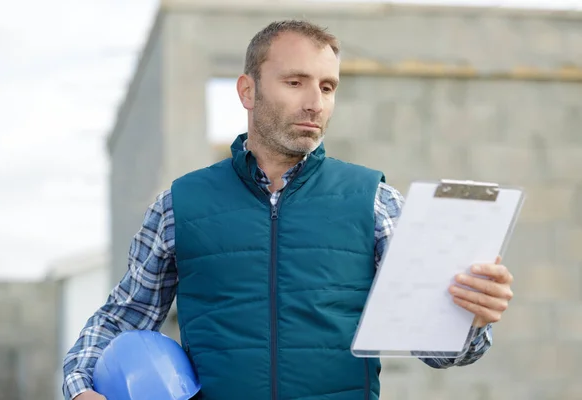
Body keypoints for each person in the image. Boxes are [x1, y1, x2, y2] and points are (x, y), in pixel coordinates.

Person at [63, 20, 515, 400]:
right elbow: (122, 318)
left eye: (327, 86)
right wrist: (80, 386)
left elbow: (438, 351)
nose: (315, 103)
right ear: (247, 90)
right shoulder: (178, 205)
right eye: (295, 82)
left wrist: (470, 319)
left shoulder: (375, 201)